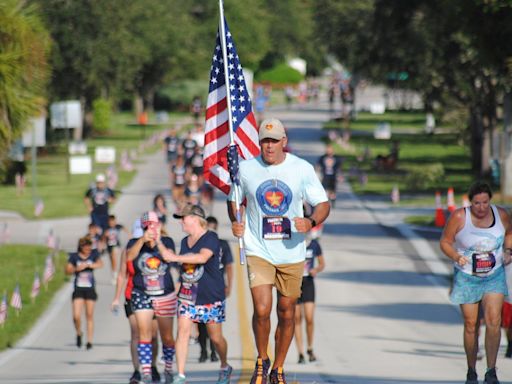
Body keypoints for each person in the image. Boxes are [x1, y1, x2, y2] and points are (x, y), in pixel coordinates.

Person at [228, 118, 330, 384]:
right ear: (259, 142)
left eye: (274, 141)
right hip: (258, 249)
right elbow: (234, 199)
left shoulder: (301, 169)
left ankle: (279, 367)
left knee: (287, 312)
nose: (269, 146)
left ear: (284, 142)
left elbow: (322, 203)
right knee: (262, 309)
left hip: (292, 252)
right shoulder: (247, 169)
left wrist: (310, 222)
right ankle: (262, 360)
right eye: (265, 141)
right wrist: (235, 222)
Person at [440, 181, 512, 384]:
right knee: (471, 325)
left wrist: (508, 251)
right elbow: (445, 241)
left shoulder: (501, 215)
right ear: (470, 202)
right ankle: (471, 370)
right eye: (477, 203)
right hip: (467, 276)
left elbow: (510, 233)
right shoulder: (459, 217)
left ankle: (491, 371)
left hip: (494, 274)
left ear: (490, 200)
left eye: (485, 202)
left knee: (494, 321)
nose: (481, 207)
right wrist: (456, 256)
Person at [161, 204, 232, 384]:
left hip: (210, 296)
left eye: (183, 218)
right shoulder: (185, 241)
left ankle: (224, 365)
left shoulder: (211, 237)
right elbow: (185, 266)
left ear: (194, 218)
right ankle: (181, 375)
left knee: (216, 338)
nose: (181, 222)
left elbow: (202, 257)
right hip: (188, 295)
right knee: (182, 333)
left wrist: (176, 257)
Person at [126, 211, 177, 384]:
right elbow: (129, 257)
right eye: (147, 226)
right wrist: (142, 240)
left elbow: (169, 258)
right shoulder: (134, 243)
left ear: (159, 225)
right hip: (142, 293)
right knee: (144, 333)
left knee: (167, 336)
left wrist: (158, 240)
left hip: (164, 293)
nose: (150, 229)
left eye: (153, 225)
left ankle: (168, 368)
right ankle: (146, 372)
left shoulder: (167, 241)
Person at [112, 219, 161, 384]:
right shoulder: (129, 249)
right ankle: (137, 370)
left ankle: (152, 366)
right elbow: (121, 275)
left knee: (153, 335)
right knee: (136, 334)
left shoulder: (154, 248)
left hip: (154, 295)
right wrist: (115, 299)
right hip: (132, 294)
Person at [196, 216, 234, 363]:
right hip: (200, 286)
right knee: (201, 323)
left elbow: (229, 266)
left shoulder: (222, 244)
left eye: (213, 228)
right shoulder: (199, 243)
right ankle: (203, 350)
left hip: (216, 287)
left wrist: (229, 285)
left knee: (214, 323)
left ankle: (213, 351)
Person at [65, 236, 103, 350]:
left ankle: (89, 341)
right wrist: (77, 269)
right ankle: (79, 332)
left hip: (90, 288)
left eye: (89, 247)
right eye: (86, 248)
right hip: (78, 288)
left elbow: (100, 264)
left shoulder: (94, 255)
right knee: (76, 316)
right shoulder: (74, 257)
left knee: (89, 315)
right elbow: (67, 270)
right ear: (81, 247)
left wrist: (90, 265)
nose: (88, 250)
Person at [294, 235, 325, 364]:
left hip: (308, 283)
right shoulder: (294, 242)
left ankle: (310, 348)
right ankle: (300, 352)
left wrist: (316, 269)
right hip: (295, 282)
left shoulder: (314, 244)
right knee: (296, 318)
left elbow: (322, 263)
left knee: (309, 317)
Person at [102, 215, 128, 283]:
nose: (112, 223)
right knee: (112, 261)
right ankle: (114, 274)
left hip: (116, 245)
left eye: (113, 221)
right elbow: (103, 238)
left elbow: (124, 228)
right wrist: (104, 238)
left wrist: (129, 234)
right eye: (110, 222)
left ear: (115, 221)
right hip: (109, 246)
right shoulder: (106, 228)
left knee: (114, 258)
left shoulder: (117, 226)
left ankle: (116, 275)